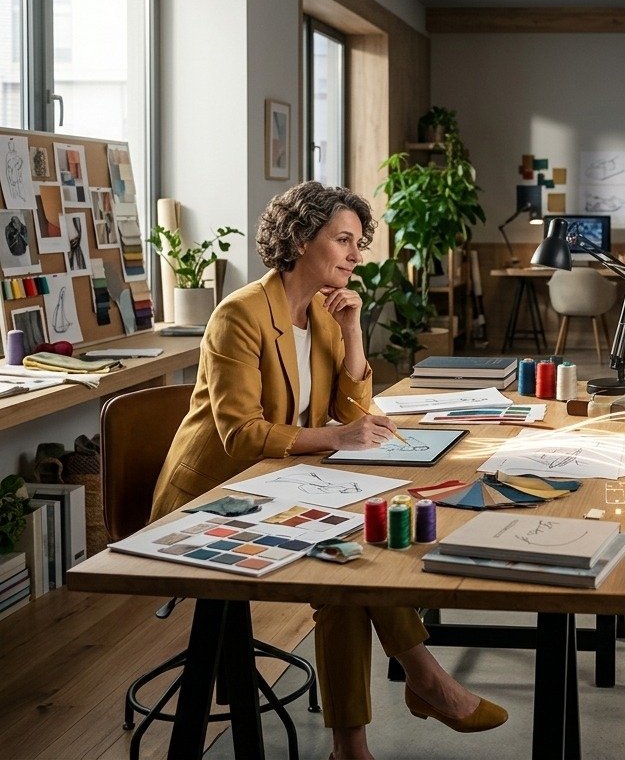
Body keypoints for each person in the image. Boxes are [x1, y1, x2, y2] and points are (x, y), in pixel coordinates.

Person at [151, 181, 506, 760]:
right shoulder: (237, 316)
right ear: (298, 238)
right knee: (348, 564)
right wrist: (338, 438)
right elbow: (241, 434)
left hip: (279, 484)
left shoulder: (322, 310)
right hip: (215, 499)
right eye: (343, 240)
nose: (355, 254)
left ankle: (355, 745)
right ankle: (422, 680)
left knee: (348, 564)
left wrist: (352, 331)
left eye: (358, 243)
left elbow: (353, 411)